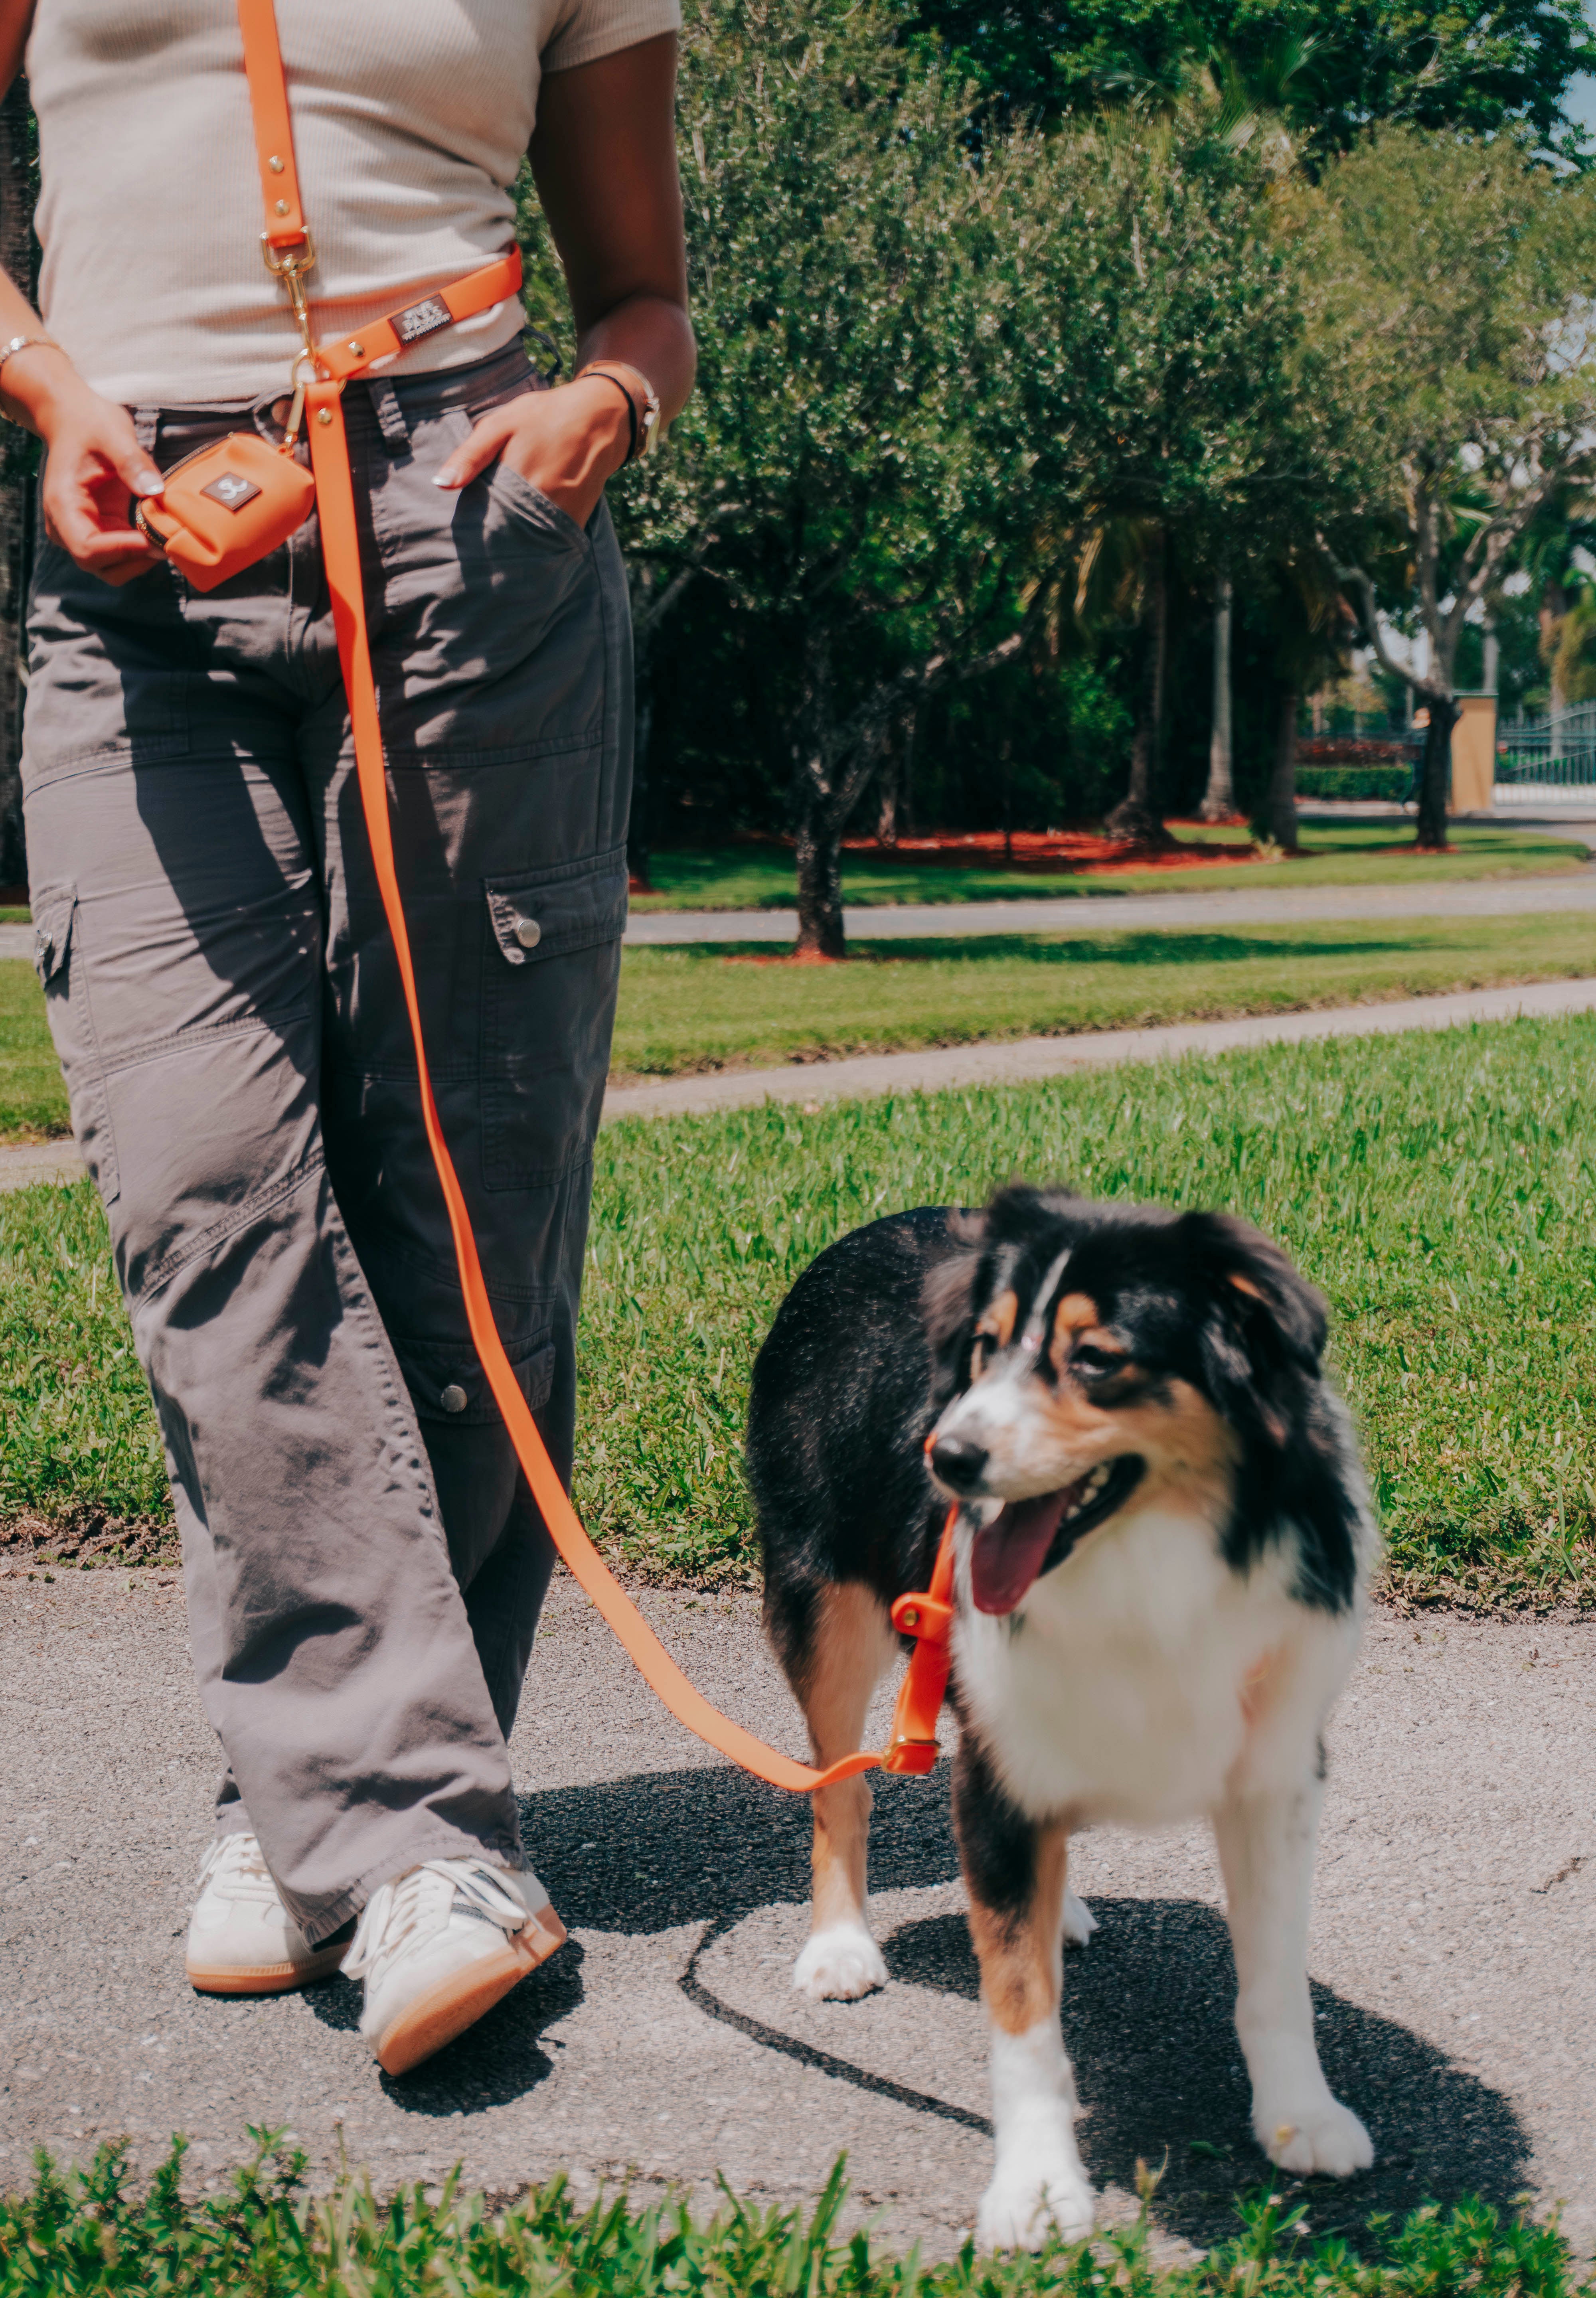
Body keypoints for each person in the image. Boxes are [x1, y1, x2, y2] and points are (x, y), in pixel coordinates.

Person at [0, 0, 695, 2076]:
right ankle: (405, 1830)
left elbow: (644, 296)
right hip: (134, 552)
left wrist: (600, 414)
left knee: (464, 1196)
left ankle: (326, 1810)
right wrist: (44, 388)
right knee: (203, 1172)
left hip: (469, 520)